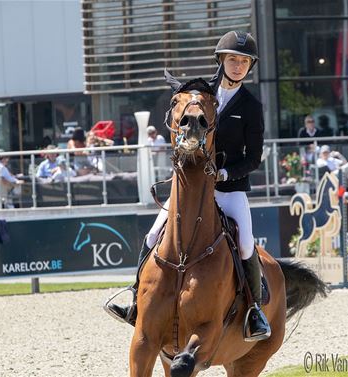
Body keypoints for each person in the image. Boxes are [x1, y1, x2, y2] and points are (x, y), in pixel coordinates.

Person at [105, 30, 270, 341]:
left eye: (243, 61)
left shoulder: (250, 106)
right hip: (191, 189)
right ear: (221, 61)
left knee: (246, 243)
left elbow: (254, 158)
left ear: (250, 67)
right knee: (154, 233)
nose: (237, 65)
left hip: (228, 189)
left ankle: (254, 311)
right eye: (232, 59)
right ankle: (134, 300)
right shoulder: (201, 96)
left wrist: (223, 174)